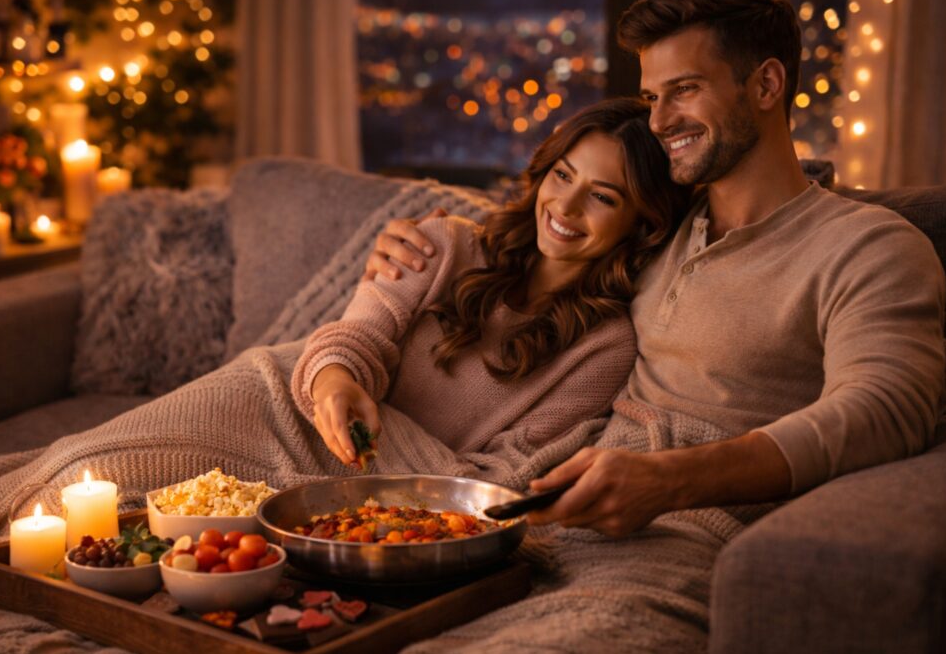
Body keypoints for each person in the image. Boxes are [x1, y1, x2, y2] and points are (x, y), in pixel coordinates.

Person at [364, 0, 946, 537]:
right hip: (558, 510)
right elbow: (546, 226)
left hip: (684, 527)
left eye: (685, 89)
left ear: (767, 86)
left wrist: (672, 481)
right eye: (651, 97)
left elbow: (888, 409)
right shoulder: (653, 226)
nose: (660, 121)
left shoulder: (871, 247)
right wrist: (418, 244)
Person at [291, 98, 690, 466]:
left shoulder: (605, 347)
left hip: (387, 495)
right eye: (563, 175)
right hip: (285, 408)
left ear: (643, 224)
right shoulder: (443, 241)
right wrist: (333, 382)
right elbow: (354, 338)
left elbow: (511, 469)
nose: (565, 207)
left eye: (602, 197)